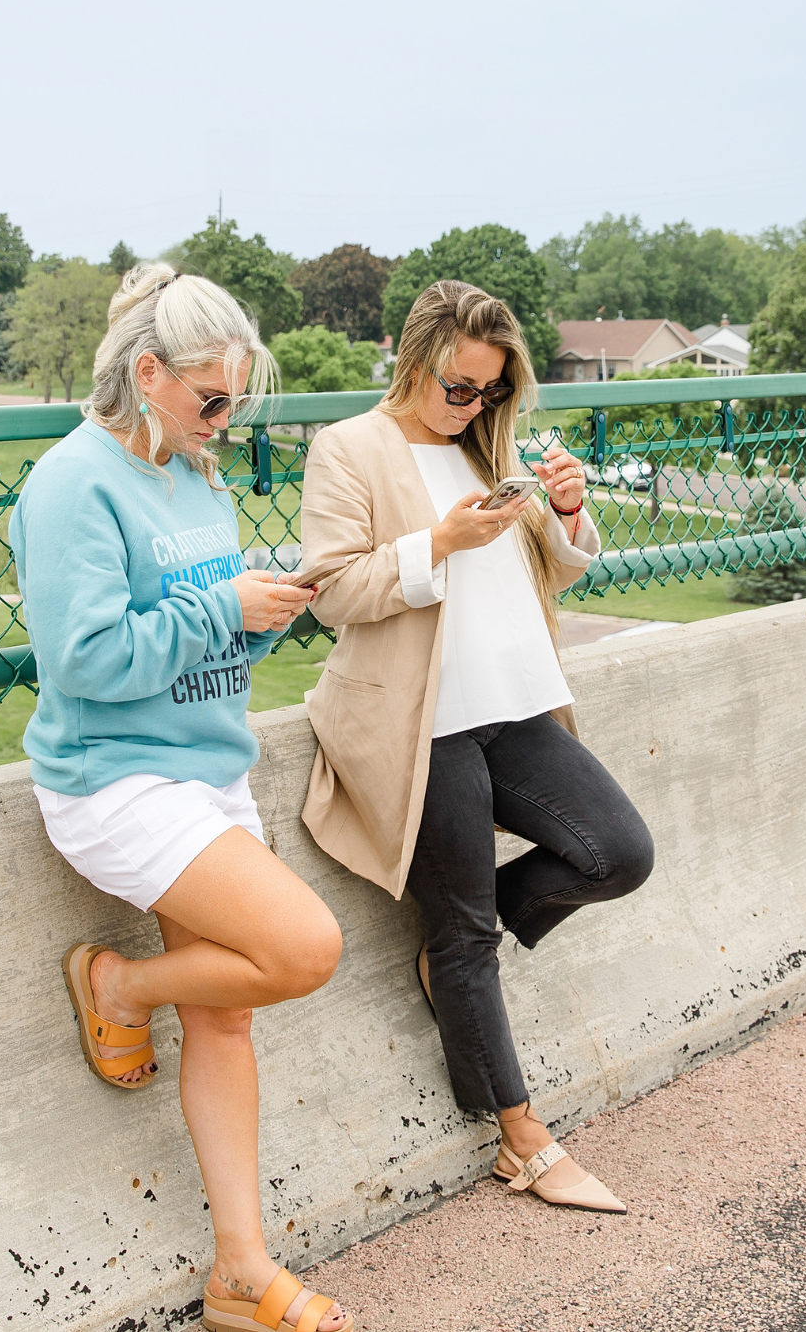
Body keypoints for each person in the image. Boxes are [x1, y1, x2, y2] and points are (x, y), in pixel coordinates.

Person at [7, 264, 354, 1332]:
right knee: (304, 948)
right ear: (146, 374)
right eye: (211, 399)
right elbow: (86, 659)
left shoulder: (193, 475)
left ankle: (239, 1273)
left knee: (229, 1019)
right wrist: (219, 611)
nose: (225, 420)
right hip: (115, 780)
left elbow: (200, 623)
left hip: (206, 768)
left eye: (234, 401)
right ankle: (115, 984)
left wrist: (260, 611)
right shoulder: (73, 485)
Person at [296, 280, 655, 1214]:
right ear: (414, 361)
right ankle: (522, 1138)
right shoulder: (349, 448)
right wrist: (436, 544)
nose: (475, 404)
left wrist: (571, 512)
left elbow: (557, 565)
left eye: (491, 390)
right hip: (424, 723)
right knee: (463, 935)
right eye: (461, 387)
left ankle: (458, 950)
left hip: (517, 706)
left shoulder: (486, 447)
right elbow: (332, 592)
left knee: (619, 852)